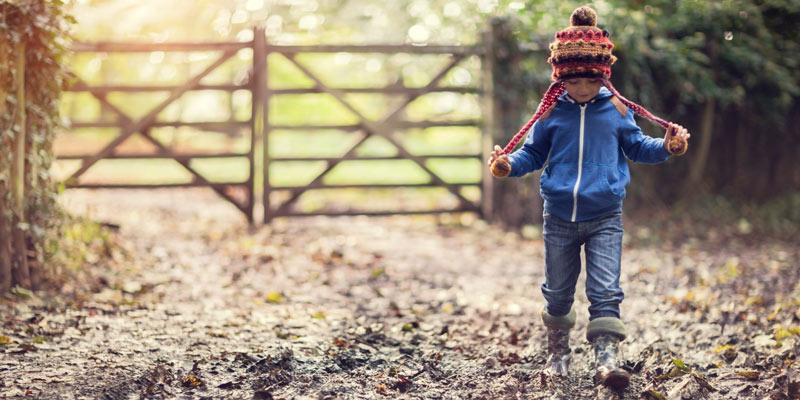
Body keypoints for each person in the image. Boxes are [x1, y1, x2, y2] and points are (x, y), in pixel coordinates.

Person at [487, 5, 691, 390]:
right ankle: (558, 353)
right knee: (558, 289)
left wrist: (667, 146)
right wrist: (507, 165)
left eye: (590, 80)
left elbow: (639, 147)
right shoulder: (550, 112)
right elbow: (531, 154)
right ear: (560, 77)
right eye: (573, 80)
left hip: (605, 215)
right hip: (559, 216)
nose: (581, 88)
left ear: (603, 76)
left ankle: (606, 359)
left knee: (605, 289)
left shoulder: (615, 109)